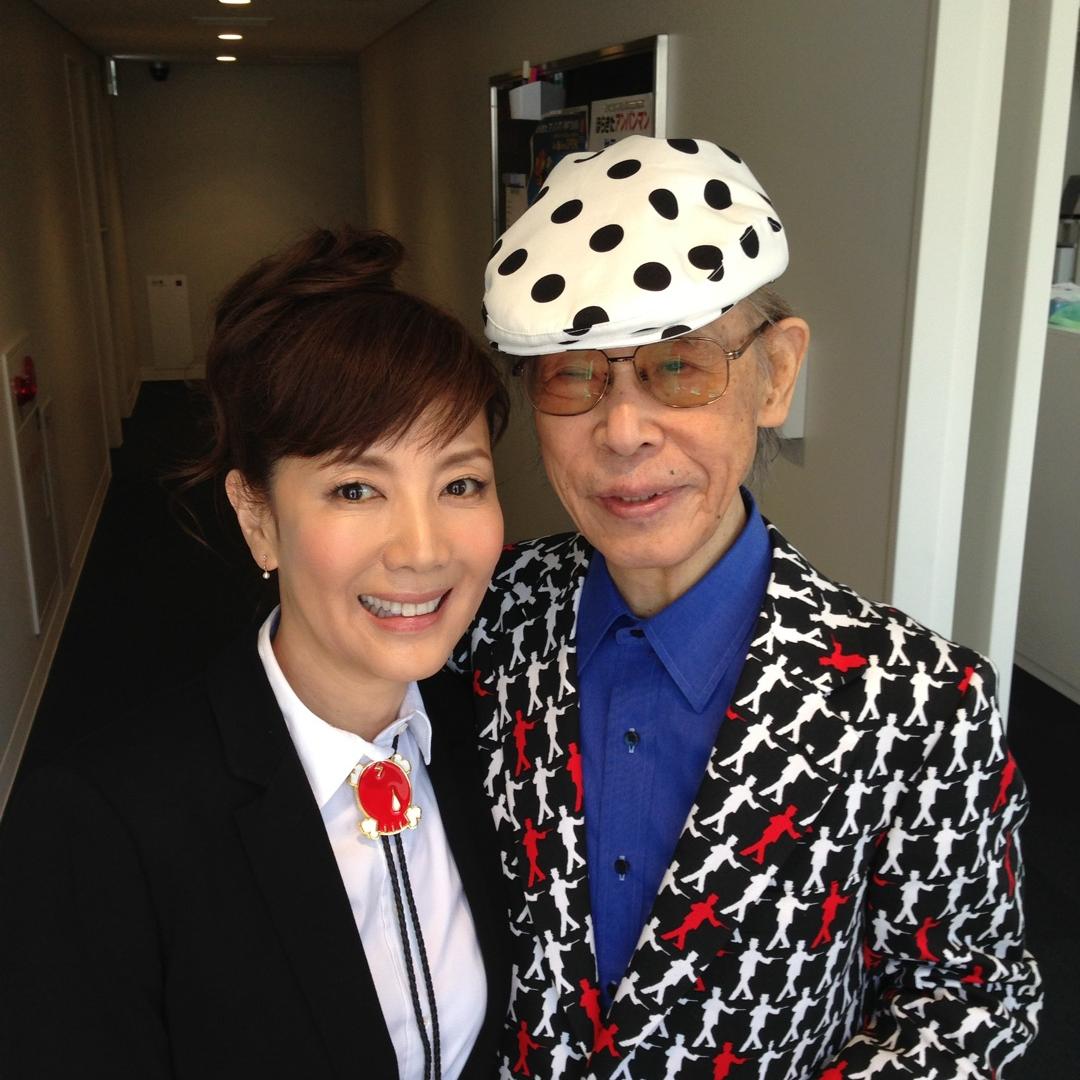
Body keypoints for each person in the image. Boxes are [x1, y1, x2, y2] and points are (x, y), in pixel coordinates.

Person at [462, 136, 1041, 1077]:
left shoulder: (918, 701)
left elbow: (971, 995)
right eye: (574, 374)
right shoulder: (482, 619)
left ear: (775, 374)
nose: (622, 431)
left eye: (678, 366)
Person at [0, 228, 511, 1079]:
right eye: (357, 488)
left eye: (460, 483)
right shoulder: (100, 825)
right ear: (258, 517)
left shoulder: (493, 736)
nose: (424, 550)